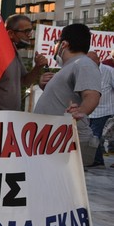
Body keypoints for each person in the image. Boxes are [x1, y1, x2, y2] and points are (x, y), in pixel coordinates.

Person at [34, 24, 101, 167]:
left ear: (63, 44)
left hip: (64, 141)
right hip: (55, 140)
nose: (55, 46)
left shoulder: (83, 64)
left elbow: (92, 95)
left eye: (57, 42)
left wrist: (81, 111)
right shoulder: (71, 66)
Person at [0, 14, 48, 111]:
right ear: (10, 33)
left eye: (30, 31)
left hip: (12, 116)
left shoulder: (14, 51)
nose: (29, 35)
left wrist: (37, 67)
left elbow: (25, 81)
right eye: (26, 31)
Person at [87, 50, 114, 167]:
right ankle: (98, 160)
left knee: (95, 134)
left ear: (98, 60)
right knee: (91, 135)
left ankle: (96, 160)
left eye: (92, 61)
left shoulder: (109, 71)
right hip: (90, 110)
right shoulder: (85, 71)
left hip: (105, 110)